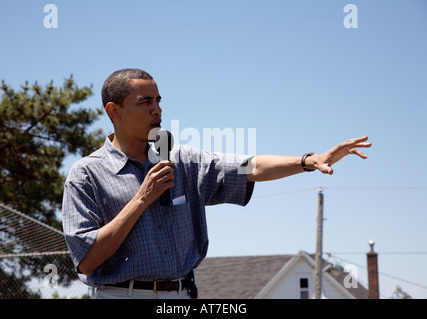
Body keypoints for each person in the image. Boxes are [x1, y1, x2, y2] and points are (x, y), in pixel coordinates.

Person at [62, 68, 372, 299]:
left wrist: (307, 160)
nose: (157, 110)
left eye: (158, 100)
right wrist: (142, 198)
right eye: (145, 102)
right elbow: (87, 261)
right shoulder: (86, 174)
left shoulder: (182, 160)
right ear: (113, 111)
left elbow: (250, 166)